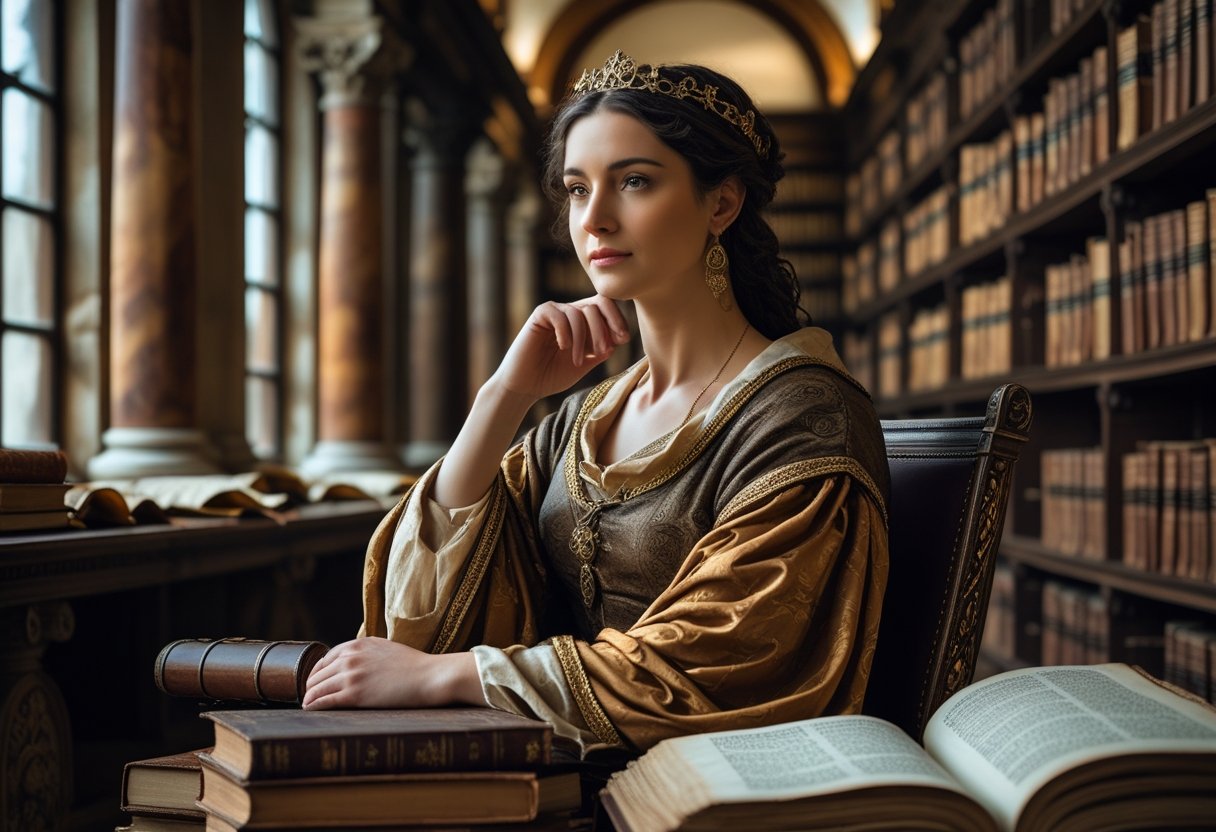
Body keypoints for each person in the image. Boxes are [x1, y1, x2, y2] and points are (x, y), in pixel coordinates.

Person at [302, 51, 891, 756]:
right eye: (578, 191)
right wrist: (504, 396)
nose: (596, 220)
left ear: (722, 203)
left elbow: (718, 660)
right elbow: (418, 619)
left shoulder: (802, 415)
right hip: (553, 766)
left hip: (715, 785)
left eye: (634, 182)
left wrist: (447, 678)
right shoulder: (584, 419)